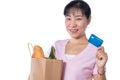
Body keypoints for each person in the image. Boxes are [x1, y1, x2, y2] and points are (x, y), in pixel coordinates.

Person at [46, 0, 108, 80]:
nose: (72, 24)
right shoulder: (57, 46)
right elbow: (41, 71)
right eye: (68, 18)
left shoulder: (95, 50)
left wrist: (100, 68)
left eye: (78, 19)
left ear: (89, 20)